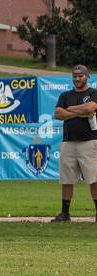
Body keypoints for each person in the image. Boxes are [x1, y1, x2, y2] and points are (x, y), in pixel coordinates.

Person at [52, 63, 97, 223]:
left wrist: (69, 110)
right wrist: (80, 111)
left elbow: (91, 107)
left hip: (89, 141)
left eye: (80, 76)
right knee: (67, 179)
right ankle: (65, 214)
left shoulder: (93, 93)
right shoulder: (65, 95)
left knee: (94, 179)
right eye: (75, 76)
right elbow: (57, 113)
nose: (77, 78)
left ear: (87, 76)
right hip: (68, 142)